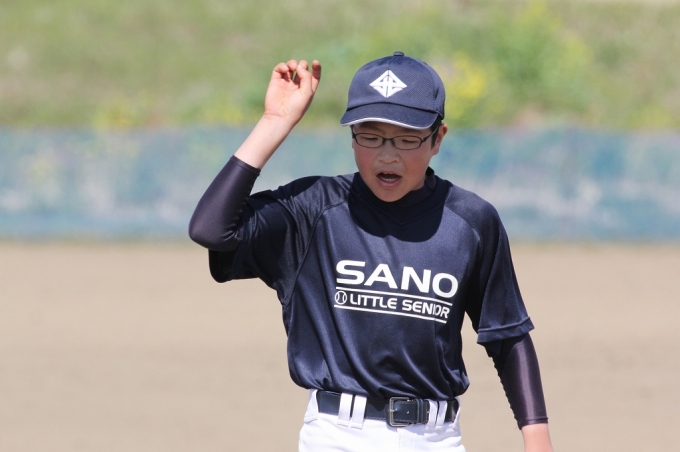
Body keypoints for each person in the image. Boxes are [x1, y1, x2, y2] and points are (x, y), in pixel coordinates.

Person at [189, 52, 554, 451]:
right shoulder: (313, 210)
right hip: (336, 436)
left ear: (438, 139)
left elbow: (507, 336)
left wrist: (537, 439)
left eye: (407, 139)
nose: (387, 154)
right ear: (352, 136)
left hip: (435, 439)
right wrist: (274, 122)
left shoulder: (471, 221)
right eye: (370, 135)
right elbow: (211, 229)